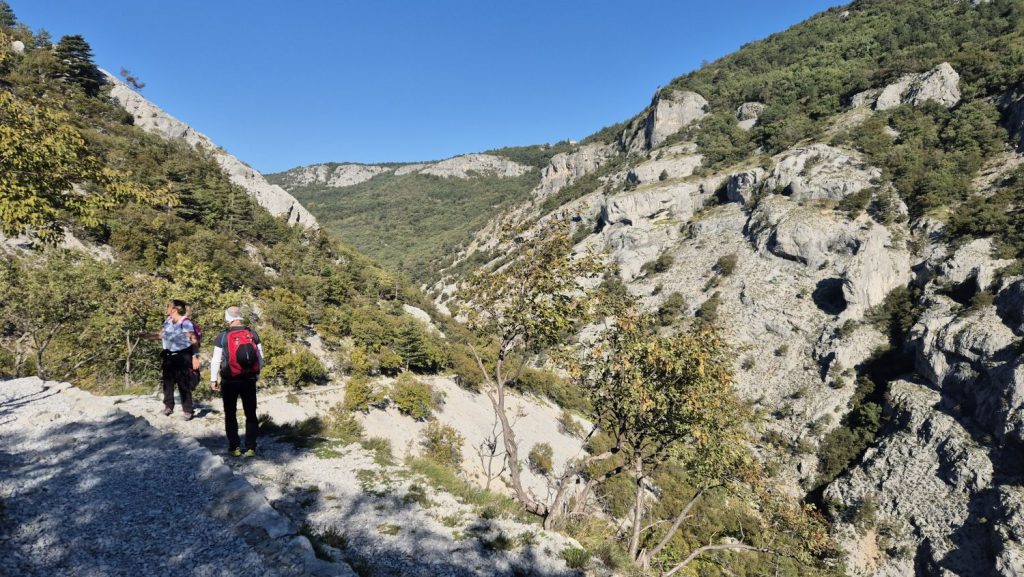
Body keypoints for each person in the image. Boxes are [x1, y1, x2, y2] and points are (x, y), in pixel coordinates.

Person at [210, 306, 263, 457]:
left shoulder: (222, 336)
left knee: (230, 413)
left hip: (229, 380)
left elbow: (215, 360)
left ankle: (235, 447)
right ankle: (251, 447)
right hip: (249, 379)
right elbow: (260, 357)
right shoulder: (252, 333)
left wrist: (214, 379)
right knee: (251, 413)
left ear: (227, 318)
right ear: (240, 317)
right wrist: (256, 373)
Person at [150, 300, 200, 420]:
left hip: (182, 356)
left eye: (169, 306)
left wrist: (196, 357)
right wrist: (147, 336)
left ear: (174, 309)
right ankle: (168, 406)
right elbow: (161, 335)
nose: (167, 308)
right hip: (169, 355)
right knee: (167, 382)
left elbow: (194, 340)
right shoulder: (168, 321)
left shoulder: (185, 323)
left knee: (184, 382)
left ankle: (187, 410)